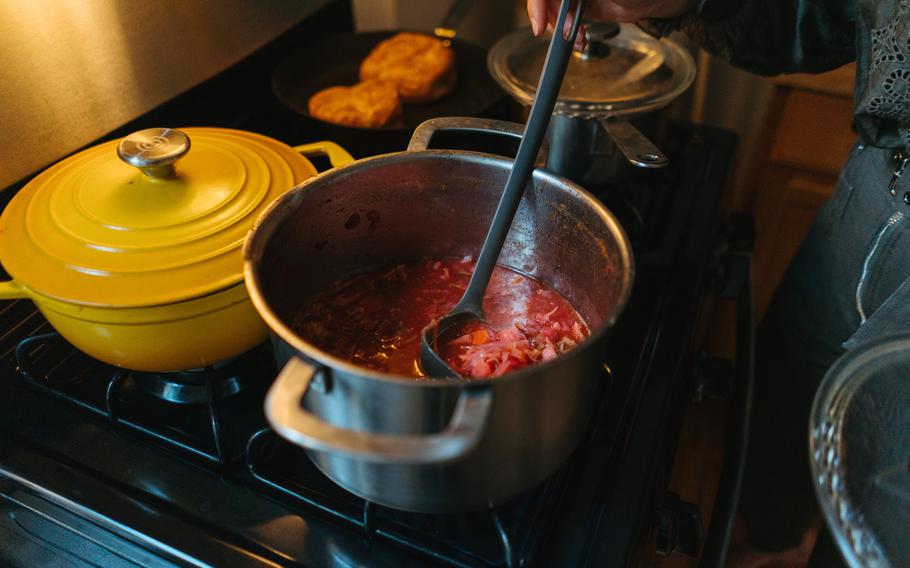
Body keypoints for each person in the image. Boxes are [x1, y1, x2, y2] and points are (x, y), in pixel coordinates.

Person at [529, 1, 908, 567]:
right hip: (880, 178)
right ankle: (772, 540)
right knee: (789, 390)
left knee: (888, 517)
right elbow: (818, 17)